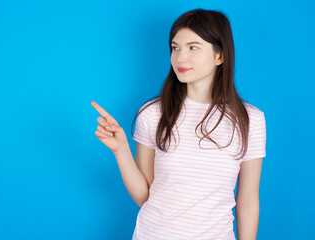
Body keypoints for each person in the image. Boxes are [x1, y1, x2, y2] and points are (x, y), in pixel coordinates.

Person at [91, 8, 266, 240]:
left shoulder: (250, 119)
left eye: (193, 47)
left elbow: (248, 201)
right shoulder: (153, 114)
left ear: (220, 56)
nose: (180, 58)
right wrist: (121, 150)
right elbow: (145, 195)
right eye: (175, 48)